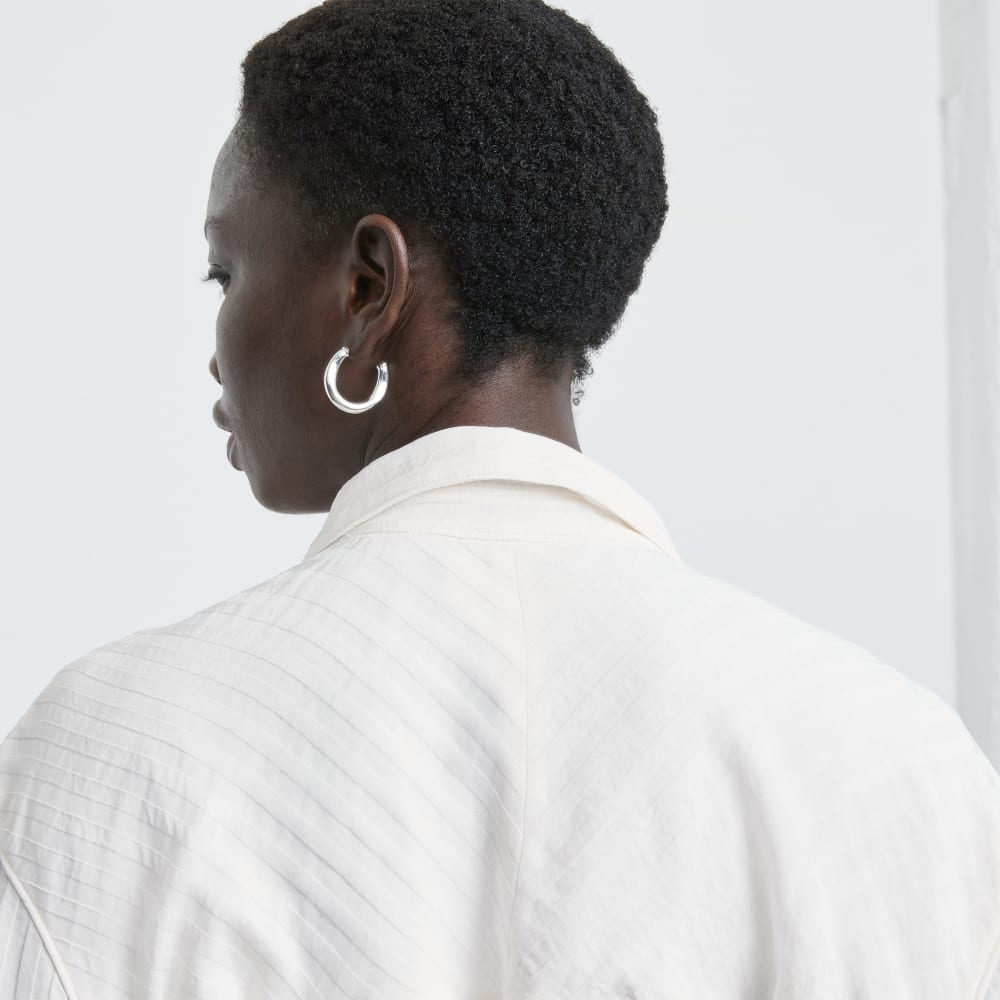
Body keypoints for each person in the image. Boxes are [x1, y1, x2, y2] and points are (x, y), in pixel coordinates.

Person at [2, 0, 999, 996]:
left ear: (367, 287)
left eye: (224, 273)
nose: (216, 343)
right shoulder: (897, 763)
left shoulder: (116, 753)